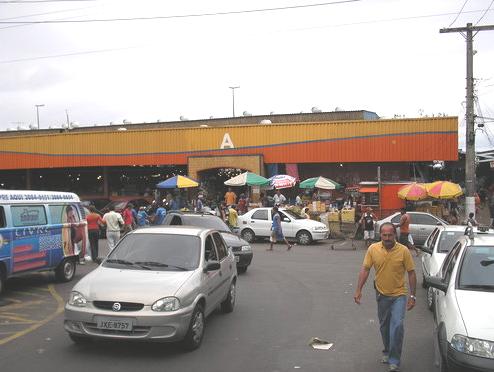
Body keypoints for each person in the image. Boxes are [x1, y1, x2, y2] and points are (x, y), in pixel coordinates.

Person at [354, 223, 417, 372]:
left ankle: (394, 359)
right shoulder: (373, 249)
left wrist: (412, 296)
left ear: (395, 235)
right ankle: (388, 350)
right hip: (381, 294)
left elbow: (411, 273)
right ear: (380, 235)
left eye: (390, 235)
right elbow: (365, 269)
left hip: (399, 295)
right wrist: (358, 290)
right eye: (384, 235)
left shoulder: (403, 251)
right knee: (384, 327)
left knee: (397, 326)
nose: (387, 238)